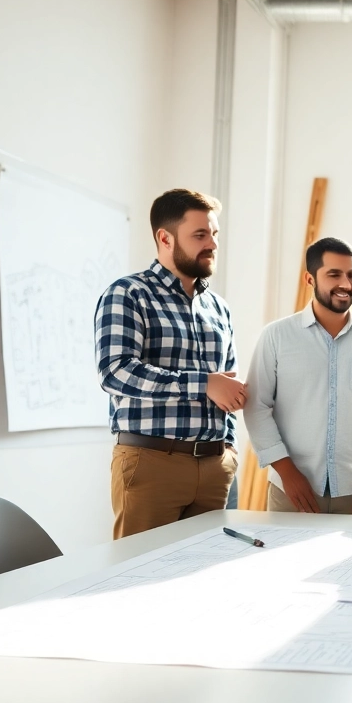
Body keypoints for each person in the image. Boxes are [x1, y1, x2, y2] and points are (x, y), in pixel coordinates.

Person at [95, 188, 244, 539]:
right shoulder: (128, 294)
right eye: (200, 234)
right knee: (137, 578)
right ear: (165, 237)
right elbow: (115, 372)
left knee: (201, 581)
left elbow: (228, 384)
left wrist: (229, 449)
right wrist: (203, 383)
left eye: (214, 234)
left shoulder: (219, 308)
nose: (212, 243)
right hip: (152, 463)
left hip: (214, 467)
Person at [243, 238, 352, 515]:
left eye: (351, 275)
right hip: (293, 492)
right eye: (334, 274)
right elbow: (256, 406)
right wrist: (286, 472)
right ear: (309, 279)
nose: (345, 284)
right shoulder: (276, 337)